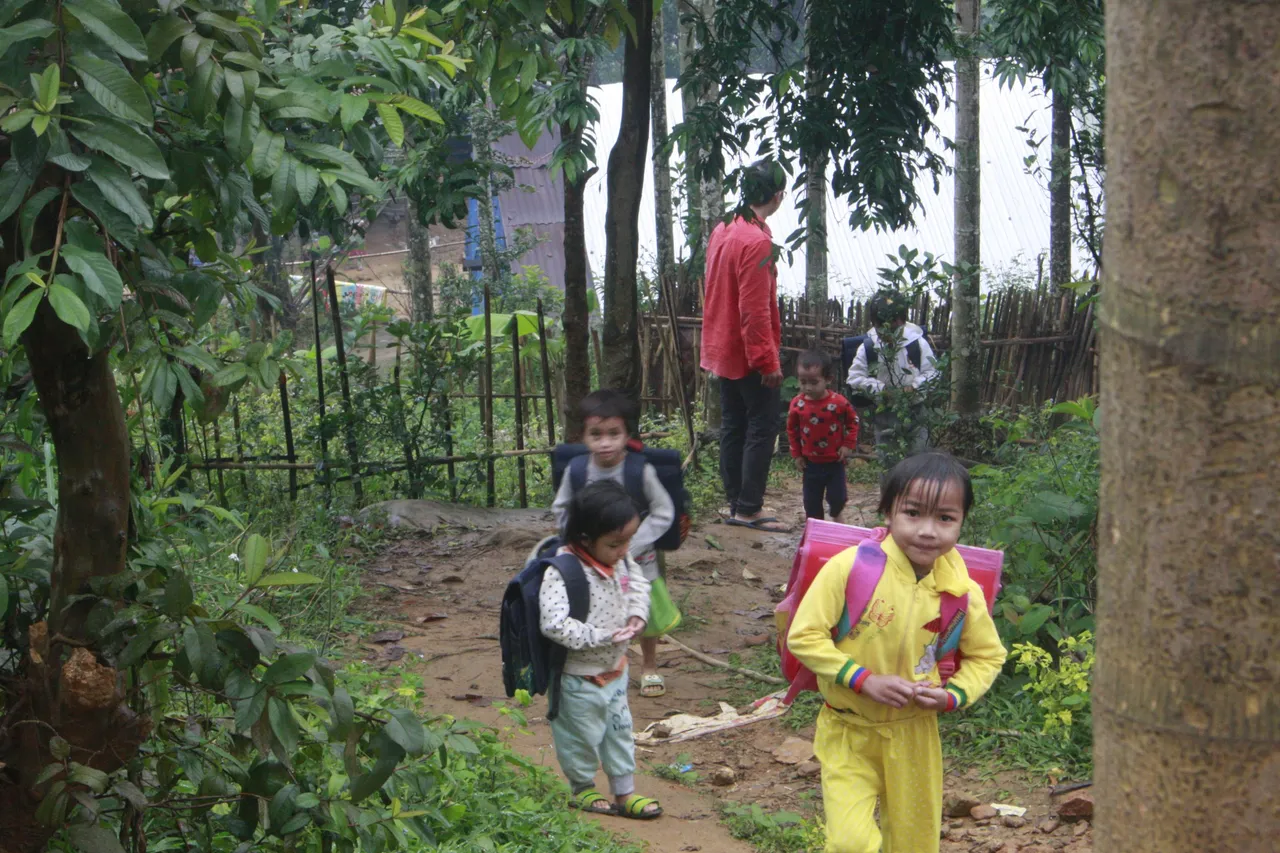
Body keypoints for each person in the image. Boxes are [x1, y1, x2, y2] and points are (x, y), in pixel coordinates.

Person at [787, 452, 1007, 853]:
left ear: (961, 522)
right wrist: (863, 679)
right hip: (848, 730)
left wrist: (953, 695)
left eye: (945, 518)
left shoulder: (963, 593)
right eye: (912, 513)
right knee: (849, 843)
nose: (927, 531)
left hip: (915, 735)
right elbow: (805, 636)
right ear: (888, 512)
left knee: (914, 845)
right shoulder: (850, 567)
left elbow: (987, 656)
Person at [540, 480, 663, 820]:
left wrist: (638, 613)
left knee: (619, 733)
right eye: (615, 543)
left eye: (628, 540)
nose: (624, 549)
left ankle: (624, 793)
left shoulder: (620, 559)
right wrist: (602, 636)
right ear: (584, 539)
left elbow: (638, 581)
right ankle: (582, 788)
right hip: (576, 677)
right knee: (579, 737)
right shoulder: (561, 572)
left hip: (616, 671)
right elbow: (553, 624)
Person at [552, 390, 675, 698]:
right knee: (595, 609)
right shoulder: (577, 470)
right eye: (596, 434)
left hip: (638, 559)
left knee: (646, 612)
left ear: (627, 434)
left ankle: (649, 666)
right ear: (583, 436)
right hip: (589, 561)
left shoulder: (639, 471)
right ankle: (604, 661)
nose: (605, 442)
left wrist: (632, 546)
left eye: (613, 434)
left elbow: (663, 511)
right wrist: (577, 545)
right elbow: (562, 507)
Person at [700, 159, 789, 533]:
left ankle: (736, 502)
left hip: (721, 345)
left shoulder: (724, 228)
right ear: (778, 195)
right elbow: (753, 309)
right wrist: (766, 360)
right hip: (746, 351)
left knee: (734, 425)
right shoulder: (757, 241)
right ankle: (749, 508)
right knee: (761, 426)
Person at [846, 290, 939, 462]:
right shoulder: (868, 347)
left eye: (893, 326)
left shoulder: (917, 343)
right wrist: (881, 390)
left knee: (919, 460)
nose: (887, 332)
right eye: (881, 327)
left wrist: (914, 387)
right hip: (885, 415)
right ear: (874, 324)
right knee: (889, 462)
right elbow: (854, 378)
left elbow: (933, 372)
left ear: (902, 321)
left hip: (916, 412)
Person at [787, 350, 860, 523]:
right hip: (810, 464)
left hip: (835, 462)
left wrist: (848, 444)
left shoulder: (839, 402)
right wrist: (796, 454)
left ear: (828, 380)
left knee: (838, 498)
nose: (808, 387)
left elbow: (853, 421)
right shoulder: (797, 404)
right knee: (811, 503)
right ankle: (815, 531)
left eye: (814, 382)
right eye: (803, 382)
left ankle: (835, 514)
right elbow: (791, 430)